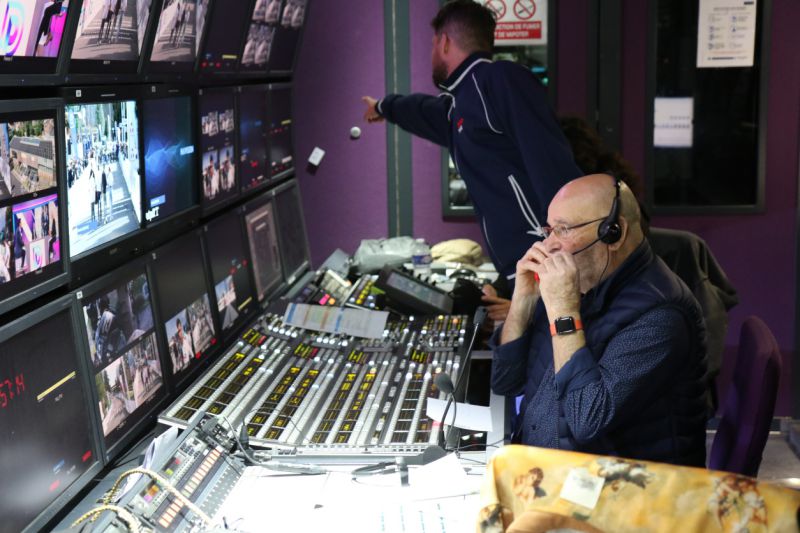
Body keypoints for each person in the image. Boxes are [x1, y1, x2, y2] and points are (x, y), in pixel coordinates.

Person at [490, 174, 709, 467]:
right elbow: (505, 382)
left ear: (613, 233)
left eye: (563, 229)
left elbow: (586, 419)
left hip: (617, 486)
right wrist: (522, 300)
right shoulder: (578, 283)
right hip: (542, 467)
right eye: (549, 230)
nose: (548, 245)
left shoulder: (662, 314)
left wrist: (564, 311)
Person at [362, 0, 581, 282]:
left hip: (546, 266)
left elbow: (551, 164)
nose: (431, 53)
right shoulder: (461, 104)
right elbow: (423, 111)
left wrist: (565, 252)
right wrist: (383, 107)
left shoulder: (499, 80)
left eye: (432, 45)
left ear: (444, 43)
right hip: (522, 270)